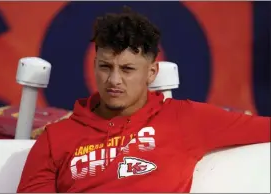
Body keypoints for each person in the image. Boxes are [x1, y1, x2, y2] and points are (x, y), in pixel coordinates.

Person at [17, 6, 270, 193]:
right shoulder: (55, 138)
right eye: (105, 66)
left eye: (127, 70)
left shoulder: (186, 118)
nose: (114, 80)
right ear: (93, 65)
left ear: (151, 73)